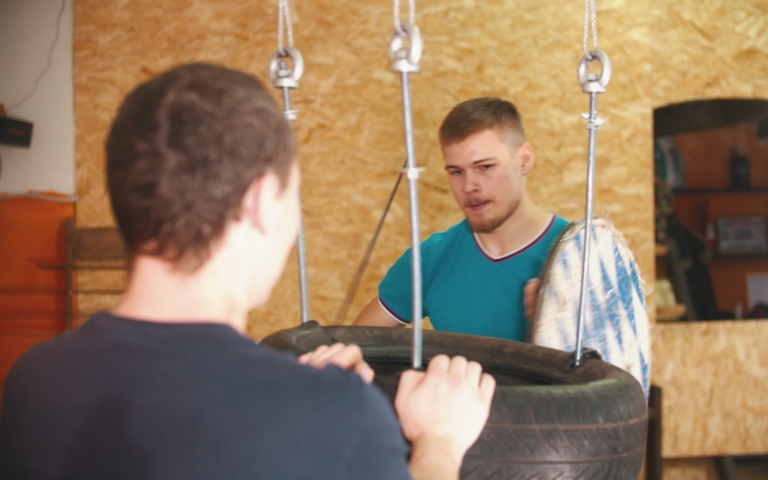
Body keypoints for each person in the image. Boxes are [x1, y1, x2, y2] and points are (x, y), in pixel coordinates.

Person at [0, 63, 495, 480]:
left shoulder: (34, 381)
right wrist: (439, 440)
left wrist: (291, 390)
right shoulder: (335, 414)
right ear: (259, 201)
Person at [354, 97, 568, 342]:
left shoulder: (581, 257)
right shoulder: (431, 259)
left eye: (485, 167)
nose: (469, 186)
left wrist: (568, 324)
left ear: (524, 159)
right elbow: (354, 348)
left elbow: (616, 365)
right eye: (456, 172)